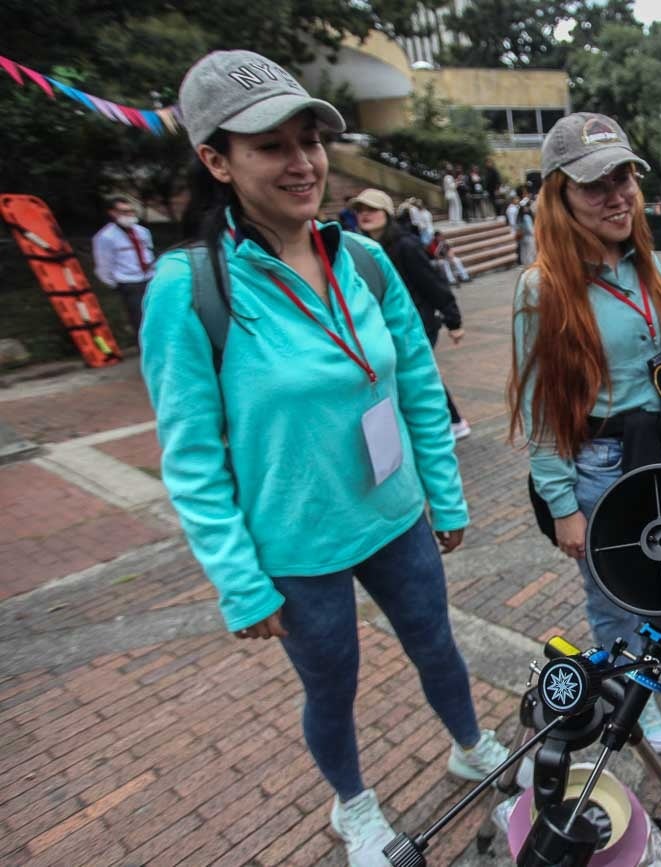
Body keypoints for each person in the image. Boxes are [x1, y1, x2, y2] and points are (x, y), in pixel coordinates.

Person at [140, 50, 510, 867]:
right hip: (296, 546)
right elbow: (192, 457)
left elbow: (416, 383)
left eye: (309, 140)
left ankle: (470, 742)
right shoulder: (190, 288)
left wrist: (443, 498)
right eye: (270, 145)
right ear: (215, 160)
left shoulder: (366, 260)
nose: (302, 162)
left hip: (394, 513)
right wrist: (239, 579)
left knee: (438, 643)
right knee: (331, 686)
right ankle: (355, 808)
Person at [508, 112, 661, 755]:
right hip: (601, 466)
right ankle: (626, 690)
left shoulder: (643, 264)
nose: (618, 194)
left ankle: (655, 664)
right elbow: (541, 412)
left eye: (624, 176)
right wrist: (563, 508)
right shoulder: (542, 287)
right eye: (596, 183)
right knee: (613, 589)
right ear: (560, 194)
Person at [354, 189, 472, 440]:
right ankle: (447, 421)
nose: (365, 215)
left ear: (386, 213)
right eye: (361, 211)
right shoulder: (361, 248)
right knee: (414, 371)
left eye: (372, 210)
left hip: (418, 322)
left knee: (418, 371)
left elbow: (432, 282)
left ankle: (452, 421)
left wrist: (454, 320)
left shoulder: (405, 245)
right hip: (387, 324)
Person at [92, 195, 155, 341]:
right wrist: (116, 284)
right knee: (141, 322)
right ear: (113, 213)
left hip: (150, 278)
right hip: (130, 282)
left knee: (159, 316)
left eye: (131, 211)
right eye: (124, 212)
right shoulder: (105, 237)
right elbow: (103, 266)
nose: (129, 215)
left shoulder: (142, 232)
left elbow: (149, 252)